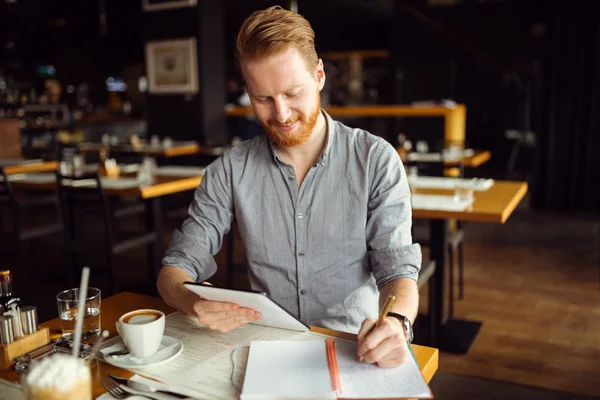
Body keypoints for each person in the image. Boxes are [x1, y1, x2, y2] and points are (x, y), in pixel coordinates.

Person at [157, 6, 421, 368]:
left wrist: (396, 322)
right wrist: (192, 301)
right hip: (267, 345)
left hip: (353, 348)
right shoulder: (228, 171)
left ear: (319, 75)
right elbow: (175, 269)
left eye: (292, 93)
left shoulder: (375, 159)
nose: (280, 115)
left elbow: (397, 271)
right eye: (262, 98)